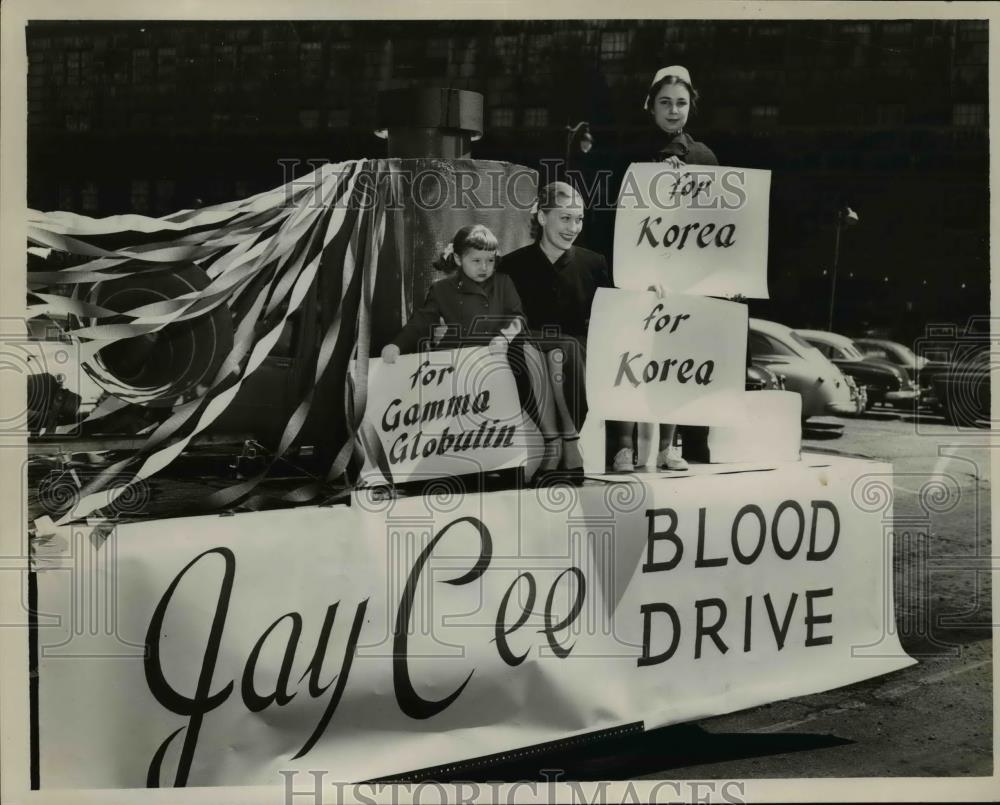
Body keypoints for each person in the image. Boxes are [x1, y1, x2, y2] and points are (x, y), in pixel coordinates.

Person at [381, 223, 564, 478]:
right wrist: (396, 345)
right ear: (457, 258)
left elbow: (517, 317)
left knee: (508, 413)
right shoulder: (442, 289)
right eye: (476, 260)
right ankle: (462, 466)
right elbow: (421, 322)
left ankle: (507, 463)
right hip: (459, 367)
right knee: (455, 421)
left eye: (490, 260)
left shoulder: (504, 282)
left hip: (498, 361)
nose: (484, 267)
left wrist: (504, 336)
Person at [501, 182, 611, 479]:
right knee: (541, 349)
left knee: (562, 352)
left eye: (579, 219)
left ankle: (560, 443)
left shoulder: (593, 263)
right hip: (529, 348)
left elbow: (613, 313)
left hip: (577, 349)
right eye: (565, 218)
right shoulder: (512, 265)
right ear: (541, 217)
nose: (573, 227)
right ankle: (565, 442)